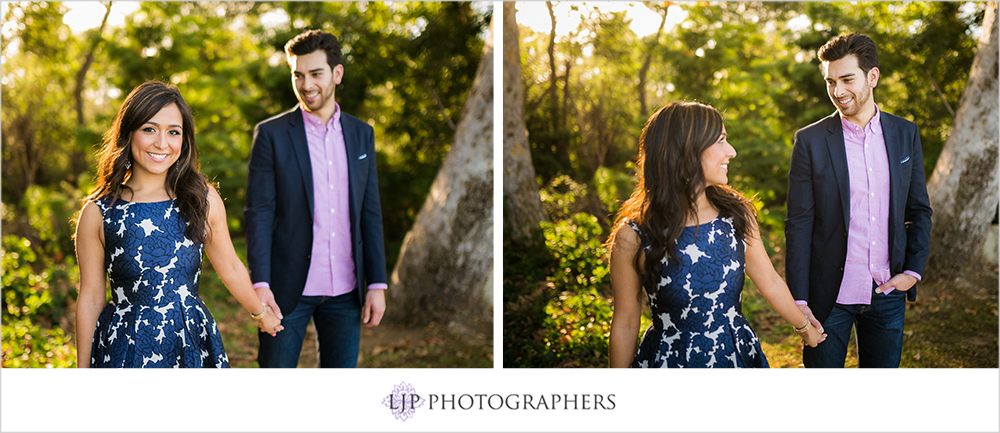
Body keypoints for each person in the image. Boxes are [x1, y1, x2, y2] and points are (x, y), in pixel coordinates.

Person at [75, 80, 283, 368]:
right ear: (129, 132)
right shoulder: (99, 213)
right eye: (149, 129)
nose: (162, 143)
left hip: (190, 341)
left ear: (184, 140)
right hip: (125, 347)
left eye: (173, 132)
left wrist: (260, 313)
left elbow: (232, 266)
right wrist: (82, 371)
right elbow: (90, 298)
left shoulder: (201, 200)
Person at [607, 101, 826, 368]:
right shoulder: (634, 236)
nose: (731, 151)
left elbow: (769, 281)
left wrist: (804, 326)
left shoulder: (736, 215)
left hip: (733, 357)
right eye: (721, 141)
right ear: (687, 149)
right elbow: (626, 323)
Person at [785, 33, 933, 368]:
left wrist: (912, 271)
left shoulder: (905, 133)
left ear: (873, 77)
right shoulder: (809, 141)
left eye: (847, 79)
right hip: (828, 298)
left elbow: (919, 210)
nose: (838, 92)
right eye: (830, 82)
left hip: (887, 293)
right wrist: (799, 299)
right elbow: (799, 223)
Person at [245, 29, 388, 368]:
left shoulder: (361, 134)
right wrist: (260, 284)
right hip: (284, 290)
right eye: (298, 74)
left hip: (346, 292)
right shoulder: (271, 134)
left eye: (315, 73)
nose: (306, 84)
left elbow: (370, 211)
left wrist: (377, 283)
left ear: (337, 74)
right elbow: (259, 213)